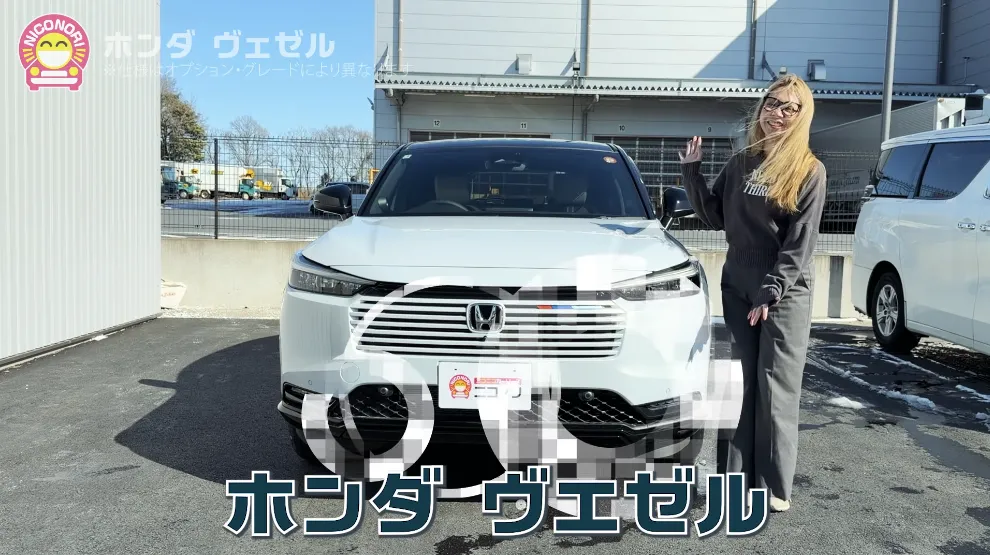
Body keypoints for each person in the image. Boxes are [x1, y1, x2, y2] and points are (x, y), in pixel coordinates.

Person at [677, 74, 827, 513]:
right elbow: (715, 216)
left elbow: (800, 241)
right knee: (739, 386)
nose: (777, 113)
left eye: (789, 107)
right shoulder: (742, 161)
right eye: (772, 103)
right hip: (738, 282)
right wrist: (692, 172)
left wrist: (772, 288)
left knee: (775, 387)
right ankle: (734, 481)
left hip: (783, 289)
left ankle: (774, 486)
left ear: (802, 116)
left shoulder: (809, 170)